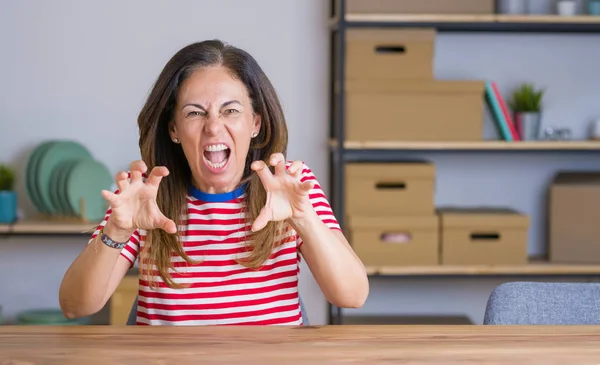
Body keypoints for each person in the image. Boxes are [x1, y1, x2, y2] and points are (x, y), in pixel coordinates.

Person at [58, 40, 369, 325]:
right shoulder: (145, 195)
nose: (213, 127)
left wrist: (304, 219)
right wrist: (118, 230)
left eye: (230, 110)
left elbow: (352, 296)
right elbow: (75, 305)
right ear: (174, 129)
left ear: (255, 123)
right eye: (195, 113)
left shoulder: (289, 185)